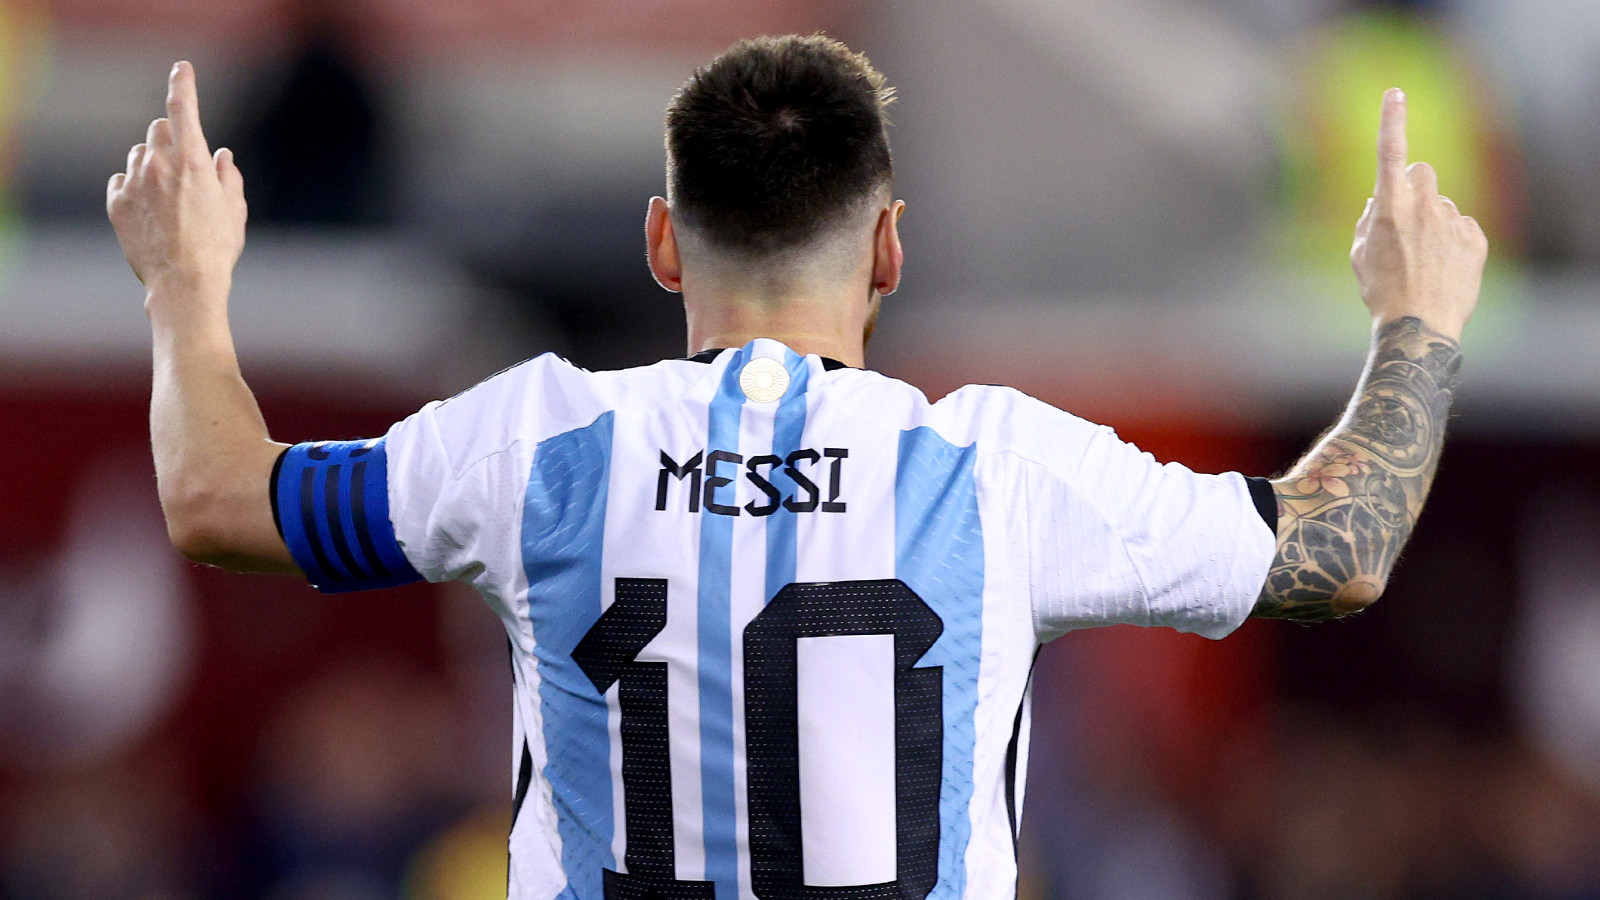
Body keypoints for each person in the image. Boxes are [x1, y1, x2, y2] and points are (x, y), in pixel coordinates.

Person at [106, 36, 1484, 900]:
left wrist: (188, 284)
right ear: (889, 251)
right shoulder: (994, 470)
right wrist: (1417, 323)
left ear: (662, 244)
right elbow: (1334, 550)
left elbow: (220, 496)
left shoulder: (539, 443)